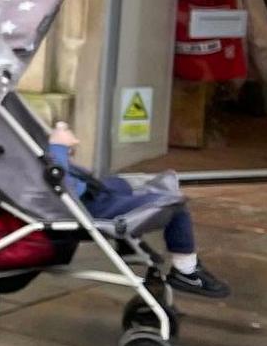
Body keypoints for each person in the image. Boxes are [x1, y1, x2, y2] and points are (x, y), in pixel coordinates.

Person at [46, 122, 232, 298]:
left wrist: (61, 151)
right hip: (84, 206)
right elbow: (60, 183)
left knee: (125, 184)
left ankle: (128, 244)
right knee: (174, 203)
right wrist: (59, 147)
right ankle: (187, 271)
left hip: (86, 195)